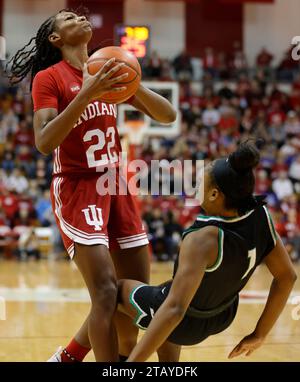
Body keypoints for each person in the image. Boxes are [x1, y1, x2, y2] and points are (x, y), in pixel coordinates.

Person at [7, 9, 176, 362]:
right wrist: (86, 93)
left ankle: (75, 357)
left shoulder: (106, 67)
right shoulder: (48, 78)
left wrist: (132, 84)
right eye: (68, 18)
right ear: (56, 38)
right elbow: (43, 141)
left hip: (117, 185)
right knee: (104, 293)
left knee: (133, 296)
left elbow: (167, 115)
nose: (80, 18)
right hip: (77, 185)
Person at [115, 142, 297, 361]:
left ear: (213, 194)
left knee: (112, 292)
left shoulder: (203, 239)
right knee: (172, 295)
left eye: (200, 181)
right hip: (222, 314)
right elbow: (288, 276)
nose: (195, 185)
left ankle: (78, 356)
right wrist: (260, 334)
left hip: (186, 322)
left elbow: (174, 310)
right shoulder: (261, 218)